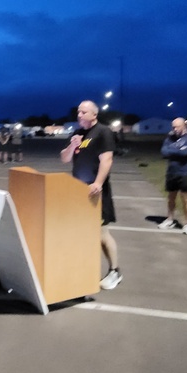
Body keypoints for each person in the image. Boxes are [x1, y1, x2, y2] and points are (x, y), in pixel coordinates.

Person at [60, 100, 122, 290]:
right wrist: (72, 146)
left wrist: (98, 183)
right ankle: (83, 270)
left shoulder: (103, 132)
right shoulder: (78, 133)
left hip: (95, 190)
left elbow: (107, 159)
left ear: (94, 114)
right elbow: (64, 158)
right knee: (86, 232)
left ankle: (115, 271)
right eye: (78, 112)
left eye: (84, 112)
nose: (79, 115)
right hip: (79, 190)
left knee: (102, 233)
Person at [158, 117, 187, 234]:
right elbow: (163, 152)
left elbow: (186, 152)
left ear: (183, 126)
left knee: (186, 199)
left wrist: (173, 150)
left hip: (185, 172)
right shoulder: (169, 138)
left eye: (177, 126)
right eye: (173, 127)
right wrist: (177, 150)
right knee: (171, 198)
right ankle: (170, 219)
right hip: (172, 172)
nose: (174, 129)